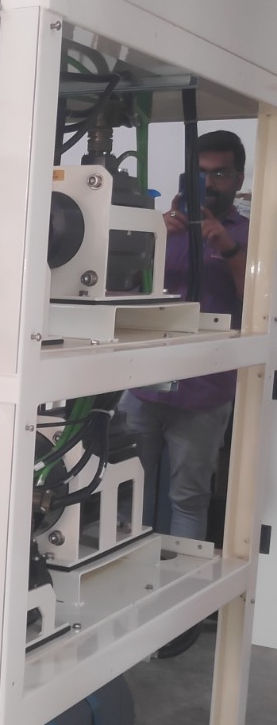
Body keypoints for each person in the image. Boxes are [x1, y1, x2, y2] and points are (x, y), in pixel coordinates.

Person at [122, 129, 248, 542]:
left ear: (239, 179)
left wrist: (228, 248)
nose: (209, 184)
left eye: (220, 174)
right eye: (199, 174)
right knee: (123, 492)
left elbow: (259, 302)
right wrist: (151, 238)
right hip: (143, 383)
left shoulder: (251, 235)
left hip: (205, 393)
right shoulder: (161, 227)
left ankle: (182, 579)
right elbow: (120, 288)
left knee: (189, 500)